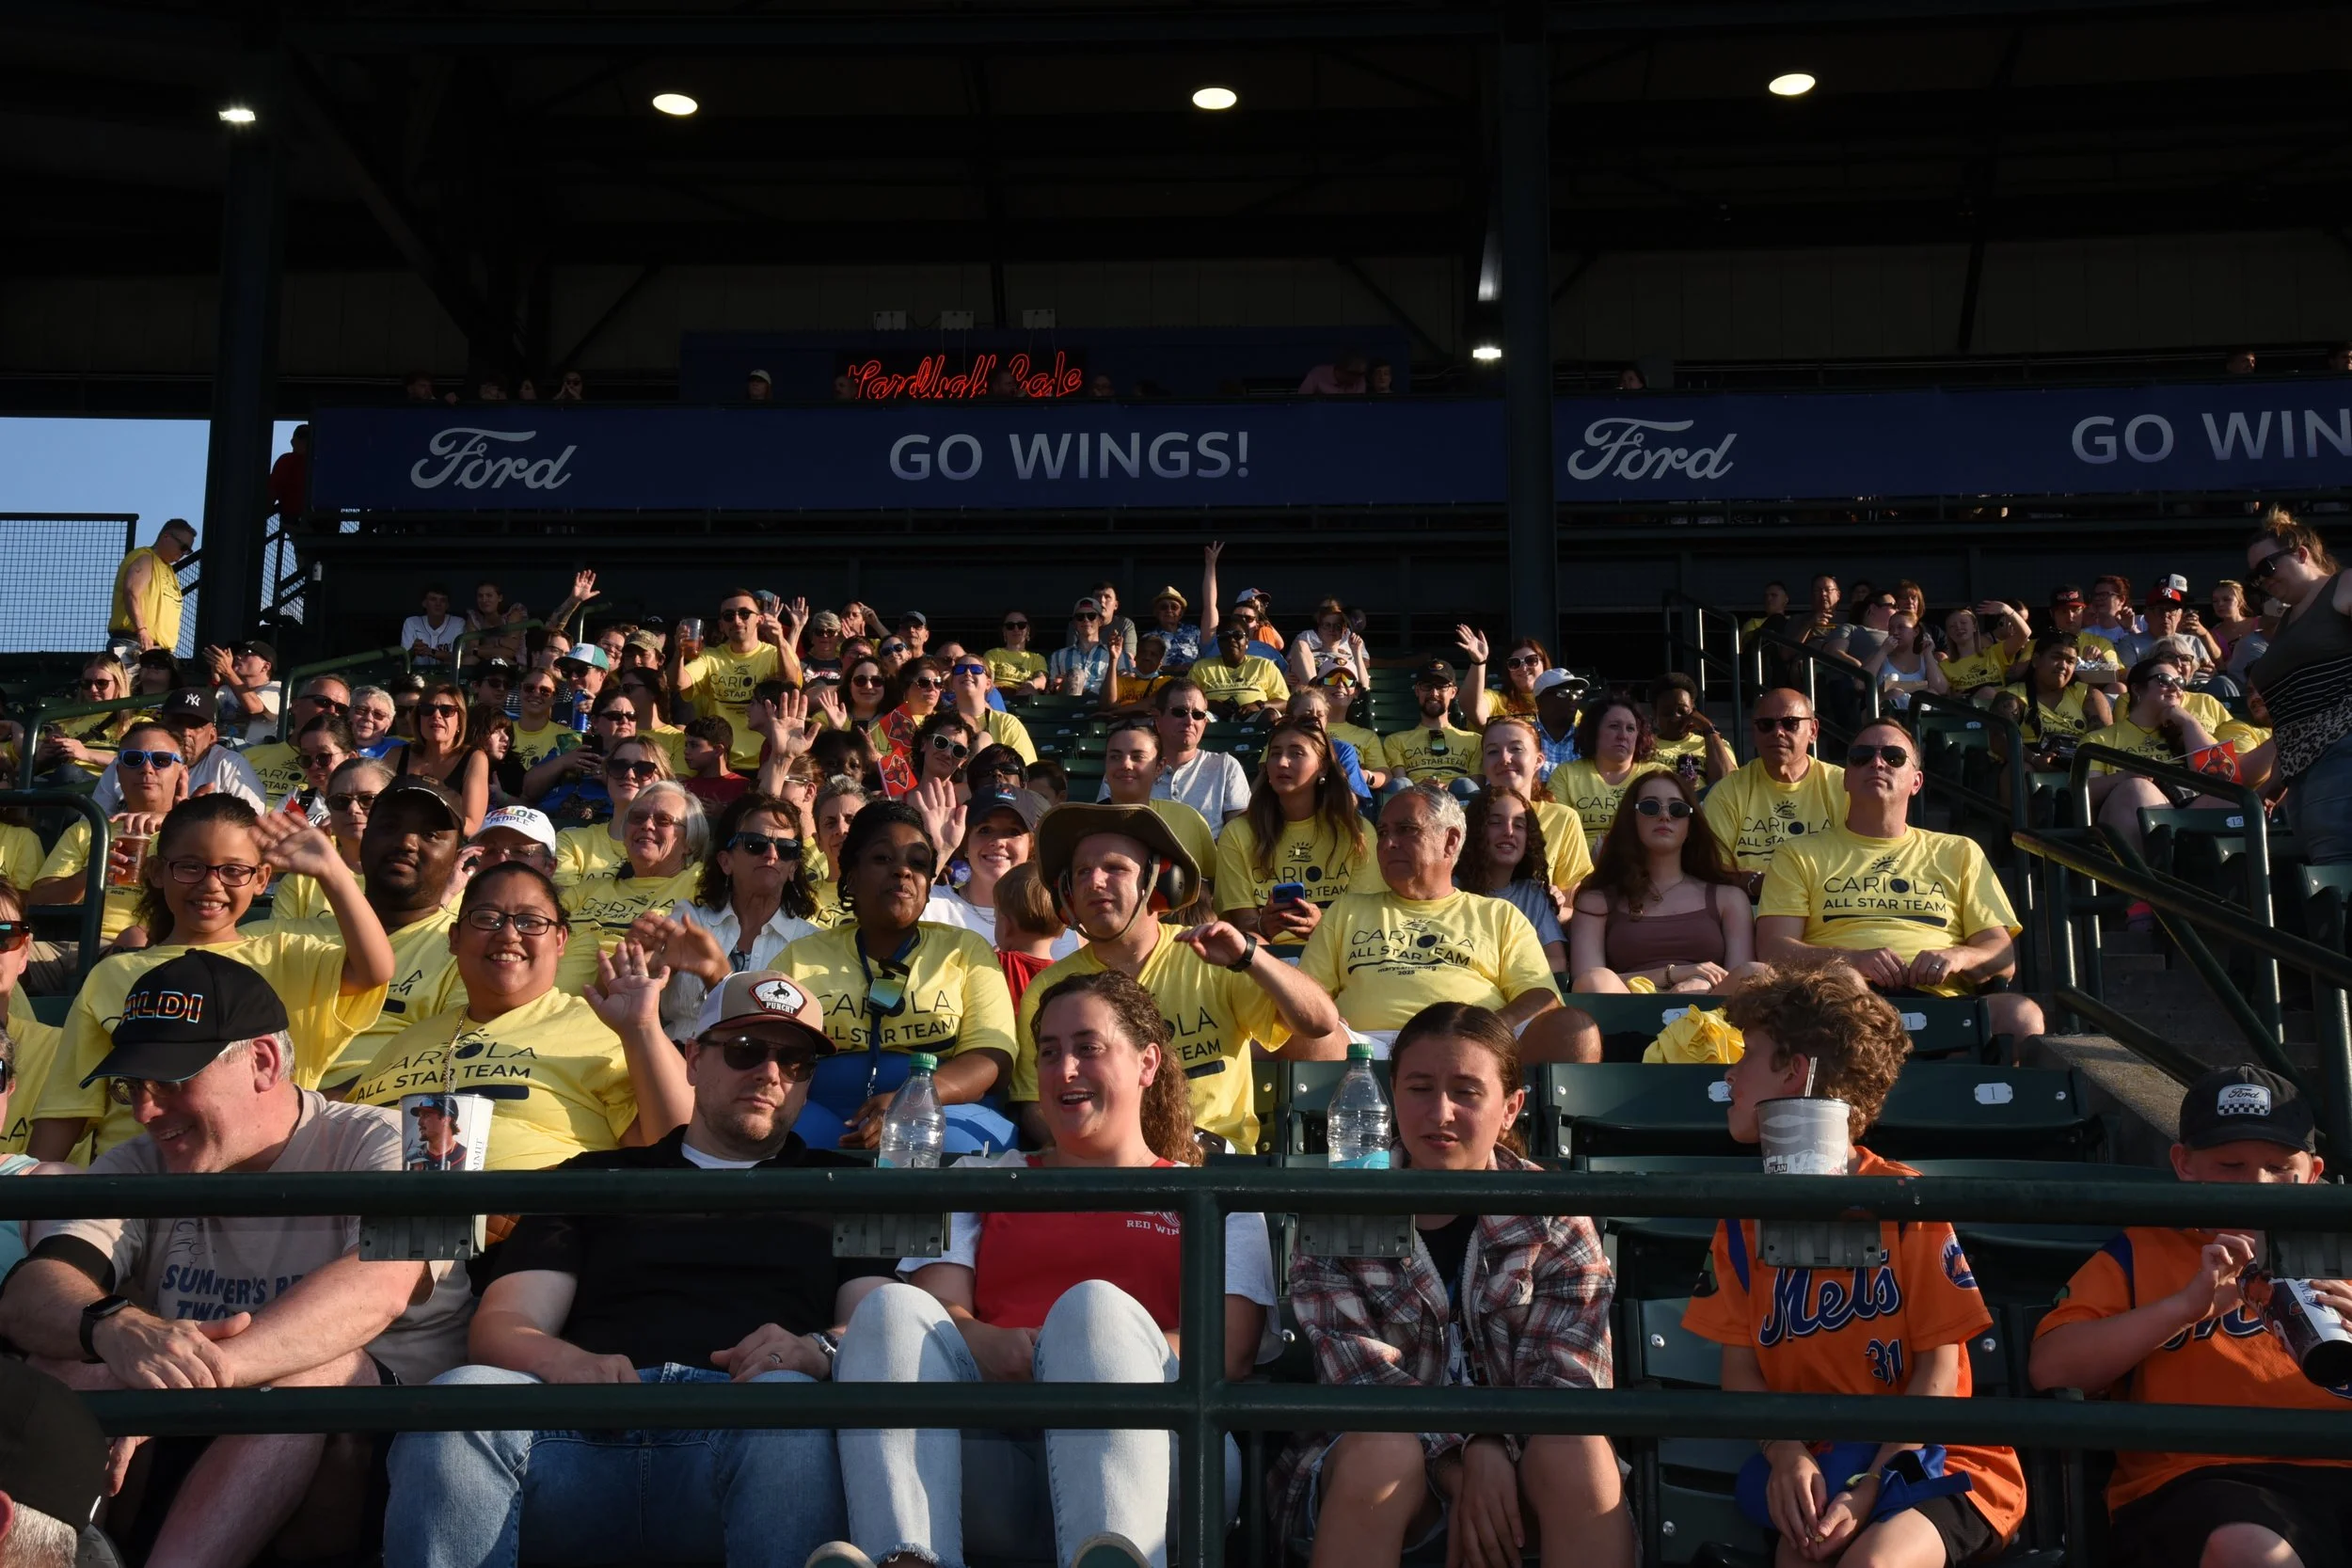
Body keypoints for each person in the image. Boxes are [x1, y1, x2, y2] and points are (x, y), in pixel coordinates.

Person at [385, 972, 884, 1568]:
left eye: (796, 1061)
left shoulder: (853, 1185)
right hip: (587, 1430)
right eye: (747, 1051)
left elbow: (880, 1324)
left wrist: (815, 1351)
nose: (771, 1074)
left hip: (752, 1423)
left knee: (787, 1405)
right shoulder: (596, 1176)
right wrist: (565, 1362)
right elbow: (505, 1322)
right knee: (459, 1398)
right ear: (693, 1059)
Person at [2, 953, 467, 1567]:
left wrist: (182, 1370)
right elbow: (36, 1289)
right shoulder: (137, 1159)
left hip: (378, 1451)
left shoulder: (407, 1136)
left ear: (263, 1062)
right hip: (187, 1438)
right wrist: (114, 1326)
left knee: (310, 1376)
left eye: (168, 1081)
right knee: (84, 1351)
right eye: (132, 1086)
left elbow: (382, 1284)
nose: (143, 1110)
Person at [820, 970, 1276, 1568]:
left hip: (1162, 1455)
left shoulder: (1215, 1197)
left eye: (1088, 1048)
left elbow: (1228, 1351)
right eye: (1050, 1053)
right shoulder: (982, 1180)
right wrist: (992, 1343)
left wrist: (1077, 1351)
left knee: (1092, 1312)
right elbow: (940, 1311)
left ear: (1146, 1063)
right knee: (888, 1308)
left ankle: (1115, 1554)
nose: (1065, 1070)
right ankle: (905, 1557)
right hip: (997, 1447)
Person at [1687, 966, 2027, 1568]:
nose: (1730, 1074)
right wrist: (1786, 1454)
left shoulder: (1905, 1199)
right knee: (1799, 1557)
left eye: (1749, 1056)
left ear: (1795, 1072)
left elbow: (1938, 1373)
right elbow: (1739, 1372)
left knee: (1872, 1564)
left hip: (1939, 1458)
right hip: (1822, 1464)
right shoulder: (1739, 1219)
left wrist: (1872, 1483)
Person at [1276, 1002, 1632, 1568]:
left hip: (1521, 1476)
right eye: (1419, 1088)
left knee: (1576, 1449)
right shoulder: (1338, 1212)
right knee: (1383, 1452)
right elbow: (1358, 1377)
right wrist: (1458, 1455)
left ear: (1511, 1108)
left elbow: (1570, 1376)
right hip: (1384, 1473)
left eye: (1466, 1091)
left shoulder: (1556, 1212)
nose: (1439, 1111)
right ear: (1392, 1097)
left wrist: (1496, 1444)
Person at [2029, 1066, 2352, 1568]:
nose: (2258, 1184)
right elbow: (2052, 1368)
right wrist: (2181, 1309)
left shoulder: (2343, 1244)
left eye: (2279, 1167)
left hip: (2338, 1462)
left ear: (2313, 1172)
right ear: (2185, 1164)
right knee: (2248, 1549)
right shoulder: (2145, 1246)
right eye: (2231, 1165)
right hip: (2200, 1475)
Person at [28, 796, 394, 1162]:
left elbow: (375, 970)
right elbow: (67, 1106)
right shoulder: (111, 974)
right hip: (136, 1184)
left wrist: (331, 871)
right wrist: (27, 1207)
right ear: (156, 872)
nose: (211, 884)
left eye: (234, 870)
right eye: (190, 867)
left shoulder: (288, 956)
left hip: (269, 1174)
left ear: (261, 879)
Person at [1011, 803, 1343, 1154]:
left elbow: (1321, 1021)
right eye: (1081, 873)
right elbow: (1033, 1104)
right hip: (1104, 1169)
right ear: (1067, 896)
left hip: (1213, 1169)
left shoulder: (1211, 959)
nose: (1095, 881)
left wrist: (1249, 955)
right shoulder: (1050, 989)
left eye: (1114, 868)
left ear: (1159, 883)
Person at [346, 862, 691, 1169]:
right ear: (454, 938)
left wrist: (643, 1029)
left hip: (535, 1230)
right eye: (487, 918)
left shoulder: (603, 1029)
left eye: (530, 921)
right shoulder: (403, 1043)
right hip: (371, 1225)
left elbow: (680, 1152)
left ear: (560, 941)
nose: (508, 934)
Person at [1757, 717, 2044, 1041]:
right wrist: (1852, 960)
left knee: (2023, 1016)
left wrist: (1957, 956)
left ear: (1916, 781)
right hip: (1838, 1002)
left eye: (1893, 757)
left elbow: (2002, 957)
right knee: (1845, 986)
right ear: (1846, 779)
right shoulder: (1798, 853)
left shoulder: (1960, 851)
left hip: (1942, 1005)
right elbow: (1772, 949)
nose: (1877, 763)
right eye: (1862, 757)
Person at [780, 800, 1018, 1153]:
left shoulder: (966, 950)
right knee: (787, 1139)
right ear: (852, 875)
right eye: (882, 858)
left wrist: (914, 1102)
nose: (903, 871)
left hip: (943, 1107)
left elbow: (992, 1056)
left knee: (943, 1141)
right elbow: (774, 1056)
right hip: (822, 1109)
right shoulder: (800, 957)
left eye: (918, 864)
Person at [1302, 786, 1598, 1063]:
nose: (1388, 843)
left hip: (1478, 1050)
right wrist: (1324, 1014)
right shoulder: (1346, 911)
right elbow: (1307, 991)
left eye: (1406, 830)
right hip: (1365, 1048)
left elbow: (1542, 995)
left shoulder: (1499, 915)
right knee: (1300, 1031)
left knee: (1575, 1029)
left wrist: (1491, 1030)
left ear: (1451, 840)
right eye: (1382, 832)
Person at [631, 792, 824, 1034]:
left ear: (793, 868)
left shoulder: (811, 944)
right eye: (756, 844)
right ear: (725, 862)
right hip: (677, 1057)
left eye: (786, 849)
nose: (772, 854)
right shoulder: (690, 921)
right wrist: (638, 963)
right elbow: (629, 995)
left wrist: (716, 973)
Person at [1571, 770, 1758, 995]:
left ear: (1690, 825)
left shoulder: (1728, 899)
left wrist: (1703, 982)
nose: (1664, 816)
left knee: (1756, 974)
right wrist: (1672, 973)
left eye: (1677, 809)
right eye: (1650, 807)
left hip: (1712, 1014)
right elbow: (1583, 983)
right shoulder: (1596, 899)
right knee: (1595, 979)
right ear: (1632, 820)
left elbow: (1738, 980)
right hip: (1626, 1013)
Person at [2245, 509, 2352, 862]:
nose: (2263, 581)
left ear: (2302, 554)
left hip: (2342, 756)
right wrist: (2276, 779)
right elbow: (2295, 713)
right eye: (2255, 576)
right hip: (2302, 775)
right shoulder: (2289, 621)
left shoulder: (2343, 585)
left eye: (2267, 568)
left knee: (2338, 879)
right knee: (2326, 887)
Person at [1216, 718, 1379, 947]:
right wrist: (1264, 926)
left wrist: (1321, 927)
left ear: (1322, 765)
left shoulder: (1357, 832)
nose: (1282, 762)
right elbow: (1244, 926)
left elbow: (1365, 922)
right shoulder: (1238, 833)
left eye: (1296, 753)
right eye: (1275, 753)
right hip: (1266, 960)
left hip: (1340, 953)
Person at [29, 719, 186, 947]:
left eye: (161, 760)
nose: (147, 768)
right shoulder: (88, 829)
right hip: (71, 945)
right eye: (134, 760)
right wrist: (92, 872)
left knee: (134, 939)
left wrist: (173, 820)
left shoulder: (193, 831)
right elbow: (38, 901)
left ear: (182, 772)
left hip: (151, 950)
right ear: (118, 771)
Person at [1701, 689, 1848, 886]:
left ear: (1813, 731)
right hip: (1752, 905)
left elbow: (1863, 855)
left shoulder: (1844, 785)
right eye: (1765, 725)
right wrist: (1758, 883)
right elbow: (1715, 869)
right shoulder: (1727, 792)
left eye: (1790, 723)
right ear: (1755, 733)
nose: (1778, 732)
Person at [564, 781, 707, 958]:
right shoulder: (589, 889)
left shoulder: (700, 880)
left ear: (689, 842)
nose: (647, 825)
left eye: (664, 820)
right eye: (637, 817)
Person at [672, 588, 797, 772]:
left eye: (745, 614)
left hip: (767, 760)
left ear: (759, 620)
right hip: (722, 764)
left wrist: (779, 639)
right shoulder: (710, 657)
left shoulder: (775, 654)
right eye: (729, 616)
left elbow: (791, 685)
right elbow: (678, 683)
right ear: (721, 625)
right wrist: (679, 653)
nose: (737, 620)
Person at [1103, 717, 1220, 910]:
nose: (1126, 764)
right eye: (1115, 757)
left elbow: (1211, 885)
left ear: (1159, 767)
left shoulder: (1188, 819)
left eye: (1137, 756)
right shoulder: (1086, 823)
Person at [90, 687, 263, 814]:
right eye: (177, 722)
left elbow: (251, 824)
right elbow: (93, 822)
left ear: (212, 737)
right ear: (162, 725)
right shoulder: (131, 760)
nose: (185, 731)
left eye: (195, 725)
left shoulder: (229, 765)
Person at [1478, 718, 1596, 896]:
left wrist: (1554, 906)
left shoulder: (1563, 819)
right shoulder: (1464, 818)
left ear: (1539, 760)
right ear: (1483, 764)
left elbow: (1573, 908)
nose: (1504, 758)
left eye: (1516, 749)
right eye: (1493, 751)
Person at [1456, 787, 1569, 973]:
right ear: (1475, 831)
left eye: (1519, 825)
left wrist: (1503, 972)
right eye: (1495, 823)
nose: (1508, 832)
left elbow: (1557, 961)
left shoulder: (1532, 894)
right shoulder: (1451, 888)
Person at [1546, 695, 1667, 854]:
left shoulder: (1656, 775)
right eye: (1614, 726)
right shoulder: (1566, 774)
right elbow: (1557, 834)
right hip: (1581, 868)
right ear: (1594, 731)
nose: (1622, 735)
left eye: (1630, 728)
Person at [1120, 680, 1250, 829]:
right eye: (1179, 712)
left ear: (1205, 722)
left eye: (1198, 715)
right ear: (1157, 718)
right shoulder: (1127, 768)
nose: (1189, 721)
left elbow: (1239, 834)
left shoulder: (1225, 766)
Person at [548, 735, 670, 884]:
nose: (629, 775)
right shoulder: (573, 842)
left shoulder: (675, 846)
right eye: (619, 767)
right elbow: (565, 902)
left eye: (643, 769)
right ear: (607, 775)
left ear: (663, 780)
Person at [388, 680, 491, 834]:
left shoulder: (474, 758)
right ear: (418, 719)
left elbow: (472, 826)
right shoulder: (396, 755)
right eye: (427, 709)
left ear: (459, 723)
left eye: (446, 710)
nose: (436, 715)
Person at [31, 654, 136, 785]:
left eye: (101, 683)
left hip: (97, 787)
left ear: (119, 683)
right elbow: (19, 771)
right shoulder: (60, 722)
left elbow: (142, 765)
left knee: (68, 773)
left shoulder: (138, 724)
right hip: (50, 780)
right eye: (86, 683)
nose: (93, 689)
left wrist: (86, 754)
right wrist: (39, 758)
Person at [2003, 630, 2110, 755]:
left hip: (2079, 767)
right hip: (2027, 766)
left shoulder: (2088, 695)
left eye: (2070, 661)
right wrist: (2034, 760)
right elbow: (1999, 738)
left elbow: (2103, 743)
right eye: (2056, 657)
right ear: (2036, 660)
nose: (2063, 666)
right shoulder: (2012, 697)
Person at [1383, 658, 1481, 788]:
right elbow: (1400, 786)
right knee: (1401, 784)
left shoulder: (1474, 741)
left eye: (1441, 687)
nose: (1433, 693)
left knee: (1465, 785)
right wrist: (1420, 788)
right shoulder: (1395, 741)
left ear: (1453, 692)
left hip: (1459, 803)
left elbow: (1477, 789)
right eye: (1427, 686)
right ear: (1417, 691)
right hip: (1416, 801)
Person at [108, 517, 195, 657]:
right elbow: (131, 592)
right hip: (134, 643)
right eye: (183, 547)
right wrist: (141, 630)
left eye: (188, 551)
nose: (184, 553)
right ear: (166, 536)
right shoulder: (146, 557)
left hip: (157, 651)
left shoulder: (167, 570)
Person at [991, 862, 1068, 1002]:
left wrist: (988, 958)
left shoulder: (994, 964)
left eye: (995, 916)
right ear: (1062, 930)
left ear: (1006, 926)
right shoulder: (1066, 979)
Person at [945, 654, 1038, 762]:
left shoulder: (1007, 723)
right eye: (960, 669)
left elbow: (1024, 769)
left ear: (988, 684)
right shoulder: (941, 722)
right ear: (952, 683)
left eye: (976, 669)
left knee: (983, 740)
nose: (968, 673)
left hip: (990, 777)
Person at [1191, 621, 1291, 721]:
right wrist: (1208, 704)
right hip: (1212, 717)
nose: (1231, 640)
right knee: (1196, 717)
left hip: (1253, 717)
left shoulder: (1264, 665)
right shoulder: (1201, 667)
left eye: (1237, 635)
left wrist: (1259, 705)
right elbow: (1186, 698)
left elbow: (1285, 702)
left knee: (1270, 716)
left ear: (1247, 641)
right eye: (1225, 636)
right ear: (1219, 642)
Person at [1649, 673, 1737, 784]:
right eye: (1667, 712)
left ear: (1692, 709)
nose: (1675, 717)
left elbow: (1727, 785)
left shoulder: (1714, 744)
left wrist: (1709, 729)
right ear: (1655, 713)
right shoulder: (1643, 745)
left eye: (1682, 711)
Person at [1050, 595, 1124, 697]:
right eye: (1080, 617)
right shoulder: (1058, 656)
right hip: (1070, 708)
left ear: (1100, 621)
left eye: (1091, 616)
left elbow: (1128, 684)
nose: (1086, 620)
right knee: (1075, 674)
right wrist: (1057, 685)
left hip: (1104, 708)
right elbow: (1050, 690)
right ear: (1074, 623)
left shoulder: (1117, 653)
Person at [1288, 597, 1371, 689]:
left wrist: (1357, 652)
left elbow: (1364, 688)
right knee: (1300, 645)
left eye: (1337, 626)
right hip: (1310, 699)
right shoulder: (1306, 656)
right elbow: (1287, 674)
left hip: (1341, 698)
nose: (1331, 629)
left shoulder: (1350, 657)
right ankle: (1315, 696)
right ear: (1319, 628)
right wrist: (1284, 678)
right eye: (1327, 625)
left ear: (1344, 630)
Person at [1872, 613, 1948, 711]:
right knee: (1894, 692)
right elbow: (1859, 684)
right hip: (1887, 715)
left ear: (1916, 631)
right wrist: (1883, 651)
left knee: (1931, 693)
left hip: (1918, 717)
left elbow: (1941, 690)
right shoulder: (1880, 655)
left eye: (1901, 627)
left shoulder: (1925, 659)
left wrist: (1928, 653)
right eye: (1890, 628)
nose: (1894, 632)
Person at [1472, 635, 1554, 723]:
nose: (1523, 668)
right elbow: (1473, 709)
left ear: (1544, 664)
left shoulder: (1561, 699)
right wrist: (1478, 662)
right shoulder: (1497, 700)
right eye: (1514, 663)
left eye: (1531, 660)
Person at [1936, 608, 2009, 698]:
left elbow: (2024, 635)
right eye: (1952, 626)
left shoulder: (1993, 652)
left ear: (1974, 627)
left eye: (1963, 623)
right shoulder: (1944, 666)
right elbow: (1943, 693)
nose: (1958, 627)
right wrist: (1952, 696)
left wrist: (2007, 609)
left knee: (1988, 692)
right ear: (1949, 634)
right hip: (1969, 709)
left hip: (2000, 707)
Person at [983, 610, 1047, 698]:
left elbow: (1042, 680)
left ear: (1028, 630)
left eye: (1021, 625)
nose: (1016, 629)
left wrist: (1031, 683)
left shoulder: (1037, 658)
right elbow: (988, 678)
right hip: (998, 694)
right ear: (1004, 631)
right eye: (1010, 626)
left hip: (1024, 694)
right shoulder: (993, 654)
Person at [402, 584, 465, 668]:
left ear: (447, 605)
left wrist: (430, 651)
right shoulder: (411, 622)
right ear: (424, 603)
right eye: (433, 599)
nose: (438, 604)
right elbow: (404, 658)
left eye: (442, 600)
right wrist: (414, 650)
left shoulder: (458, 623)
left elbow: (458, 657)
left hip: (447, 674)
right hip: (417, 674)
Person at [1145, 581, 1203, 669]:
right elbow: (1147, 667)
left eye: (1174, 607)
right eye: (1163, 607)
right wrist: (1175, 669)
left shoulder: (1194, 631)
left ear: (1181, 613)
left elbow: (1207, 656)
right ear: (1156, 613)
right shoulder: (1149, 638)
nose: (1169, 610)